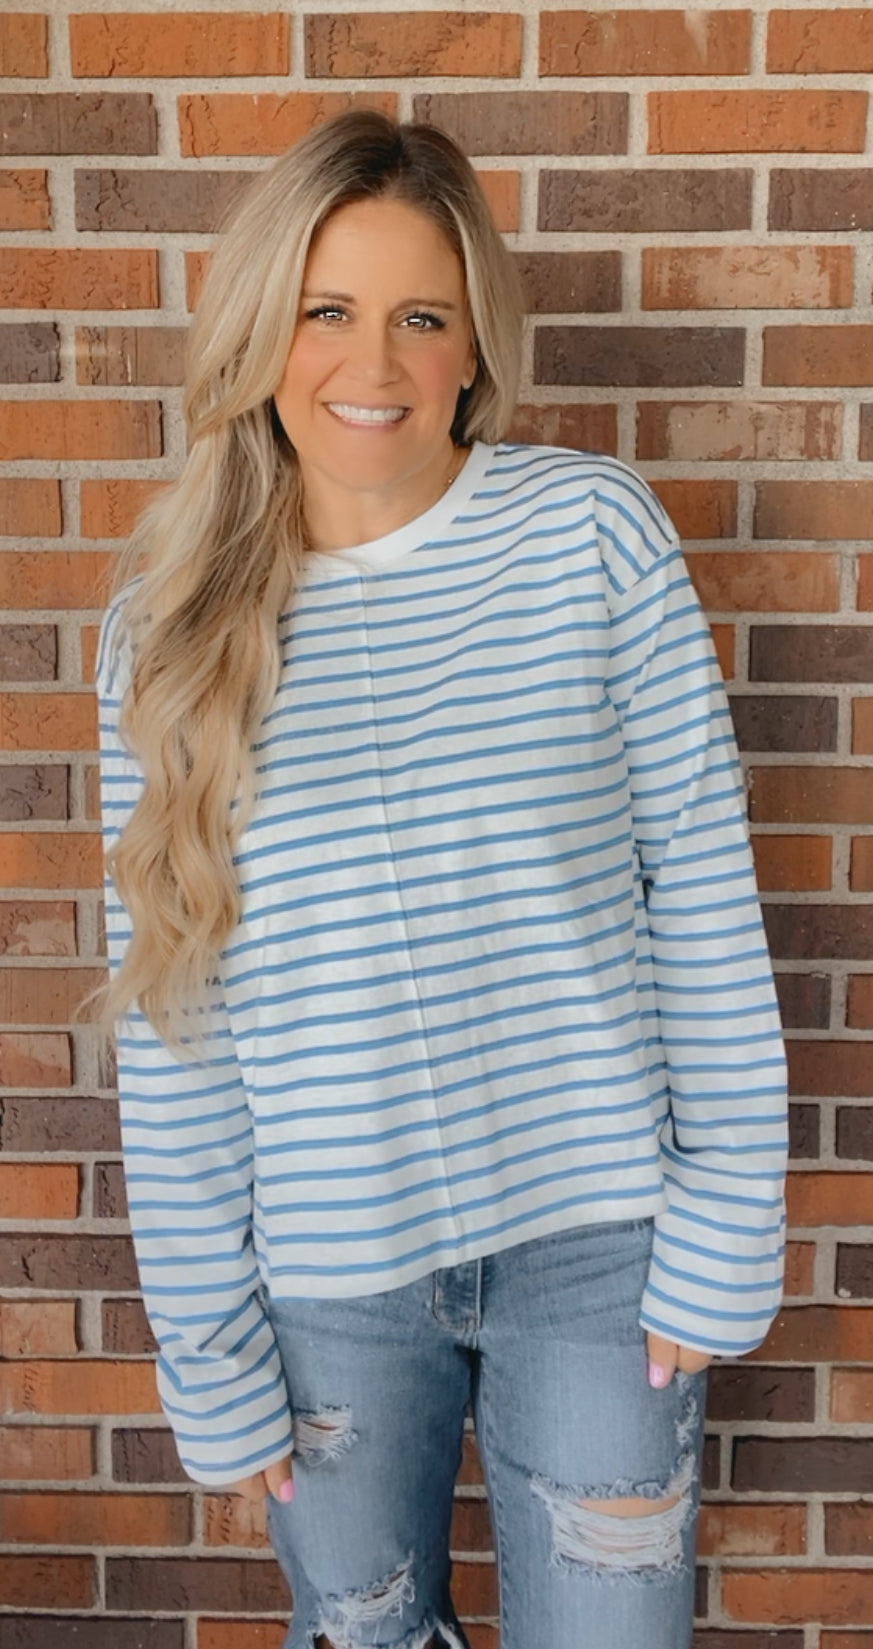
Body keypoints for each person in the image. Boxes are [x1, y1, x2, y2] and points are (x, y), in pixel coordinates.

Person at [97, 109, 788, 1649]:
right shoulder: (168, 625)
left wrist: (723, 1227)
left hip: (599, 1254)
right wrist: (211, 1351)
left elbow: (700, 900)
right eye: (326, 311)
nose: (374, 362)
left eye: (421, 316)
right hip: (325, 1282)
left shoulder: (589, 538)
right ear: (261, 331)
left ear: (475, 342)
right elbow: (172, 1023)